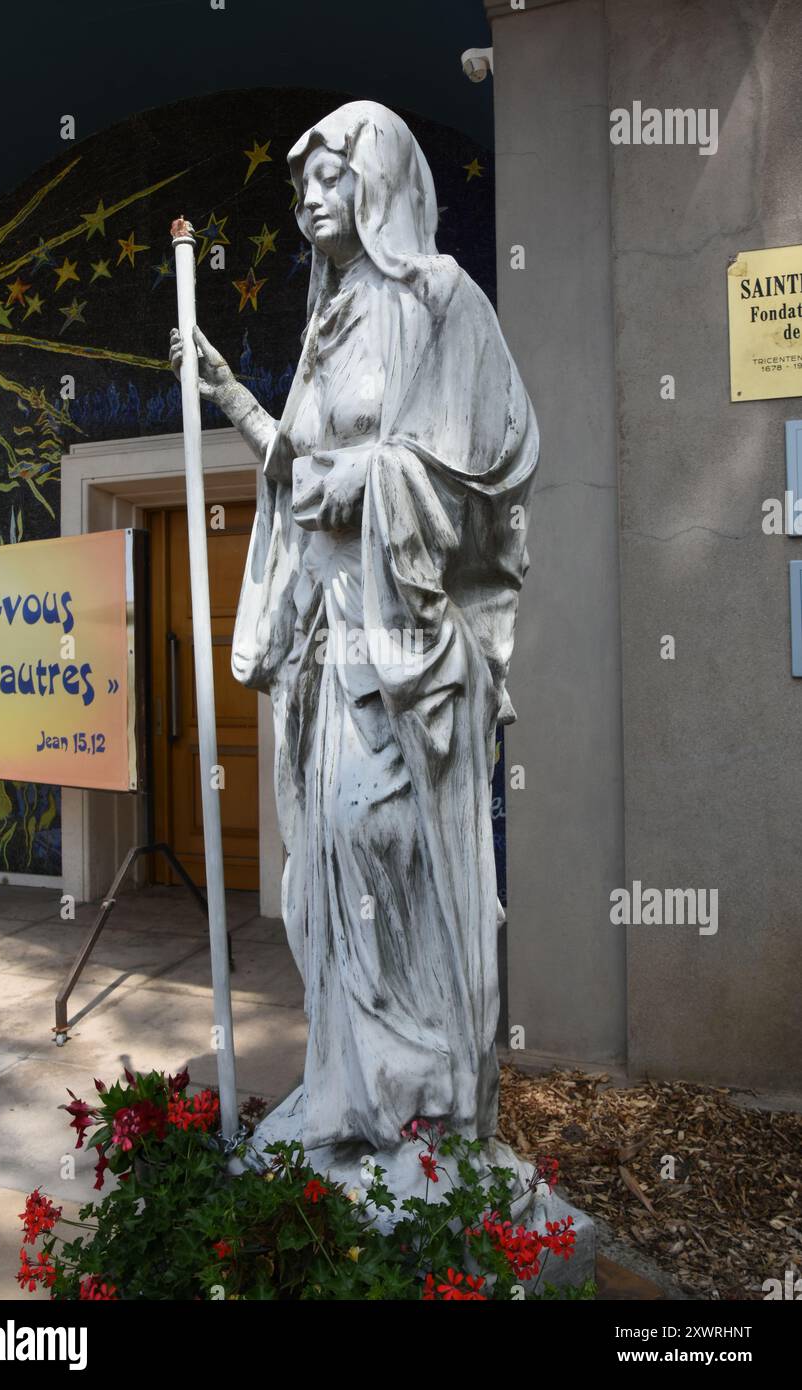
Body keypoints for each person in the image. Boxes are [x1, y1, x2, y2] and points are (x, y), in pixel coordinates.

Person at [169, 100, 539, 1154]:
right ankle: (350, 1081)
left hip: (406, 651)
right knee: (325, 862)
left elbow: (489, 469)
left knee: (388, 847)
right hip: (330, 655)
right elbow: (298, 470)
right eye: (298, 189)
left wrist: (364, 485)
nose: (308, 203)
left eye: (328, 179)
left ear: (374, 179)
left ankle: (421, 1092)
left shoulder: (442, 302)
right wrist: (233, 395)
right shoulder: (324, 326)